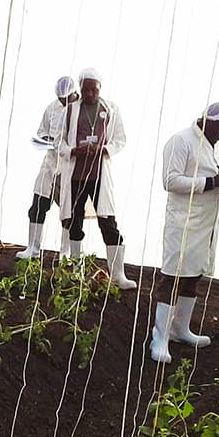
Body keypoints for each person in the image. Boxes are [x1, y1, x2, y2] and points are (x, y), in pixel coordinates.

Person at [150, 102, 219, 363]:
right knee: (173, 277)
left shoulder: (218, 146)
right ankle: (160, 338)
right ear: (207, 121)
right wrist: (209, 183)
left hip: (206, 222)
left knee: (193, 275)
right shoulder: (180, 141)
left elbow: (216, 177)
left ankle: (180, 329)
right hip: (183, 222)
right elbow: (170, 180)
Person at [56, 67, 136, 290]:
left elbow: (120, 139)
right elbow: (58, 141)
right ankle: (76, 271)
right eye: (86, 89)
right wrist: (73, 151)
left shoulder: (111, 109)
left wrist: (104, 150)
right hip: (76, 175)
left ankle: (118, 274)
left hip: (99, 174)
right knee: (74, 220)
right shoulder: (70, 111)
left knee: (108, 222)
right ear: (80, 88)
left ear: (100, 88)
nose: (90, 93)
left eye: (95, 89)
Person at [15, 76, 79, 260]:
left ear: (74, 93)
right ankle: (32, 249)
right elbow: (41, 132)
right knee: (38, 205)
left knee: (69, 211)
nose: (63, 102)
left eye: (66, 98)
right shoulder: (52, 108)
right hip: (50, 163)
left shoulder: (82, 110)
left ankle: (65, 253)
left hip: (70, 166)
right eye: (60, 99)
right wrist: (50, 142)